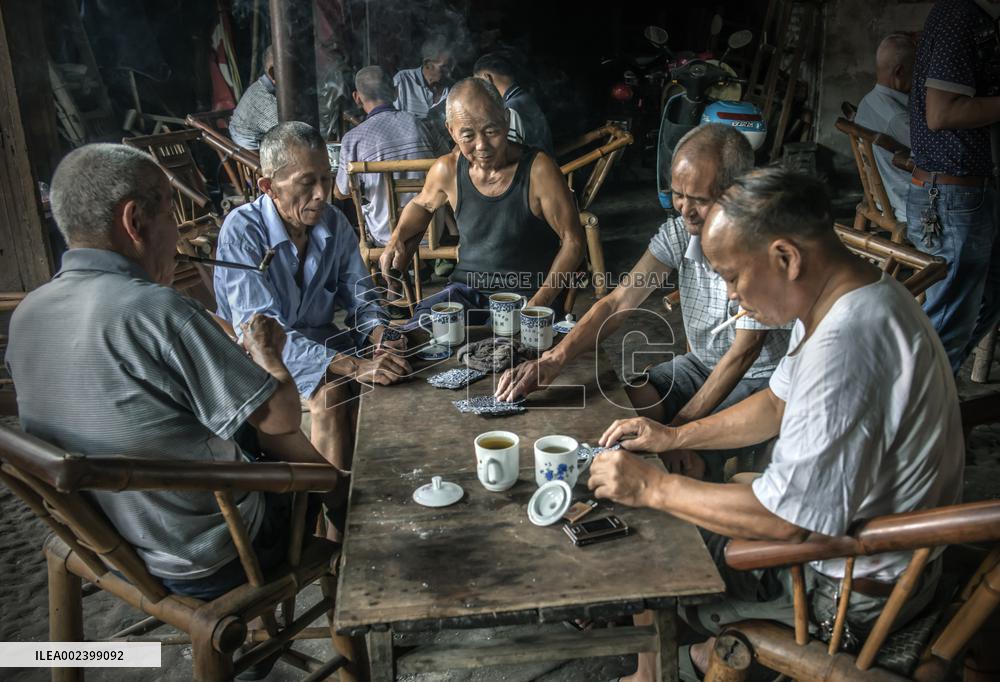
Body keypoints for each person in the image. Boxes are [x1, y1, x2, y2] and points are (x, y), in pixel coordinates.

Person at [589, 168, 963, 682]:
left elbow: (785, 522)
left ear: (786, 257)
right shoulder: (856, 297)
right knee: (673, 501)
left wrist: (655, 486)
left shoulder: (845, 345)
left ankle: (662, 670)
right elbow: (775, 404)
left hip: (843, 591)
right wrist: (676, 436)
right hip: (869, 556)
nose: (731, 297)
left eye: (731, 276)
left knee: (646, 536)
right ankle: (670, 664)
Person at [5, 143, 347, 599]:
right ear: (135, 221)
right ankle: (355, 519)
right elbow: (281, 418)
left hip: (108, 544)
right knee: (289, 446)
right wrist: (267, 354)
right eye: (170, 214)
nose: (179, 234)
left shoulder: (27, 312)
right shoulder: (159, 311)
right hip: (211, 555)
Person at [497, 124, 790, 480]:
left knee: (684, 460)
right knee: (631, 398)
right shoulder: (683, 231)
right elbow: (620, 301)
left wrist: (677, 432)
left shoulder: (759, 245)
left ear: (737, 191)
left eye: (699, 198)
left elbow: (742, 354)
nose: (685, 209)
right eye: (678, 194)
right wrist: (554, 359)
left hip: (757, 380)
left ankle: (696, 509)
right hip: (700, 365)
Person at [214, 122, 411, 471]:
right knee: (333, 393)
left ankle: (370, 489)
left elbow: (361, 296)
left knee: (391, 380)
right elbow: (262, 331)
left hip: (322, 341)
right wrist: (356, 365)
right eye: (307, 182)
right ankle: (333, 516)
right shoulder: (241, 229)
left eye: (326, 177)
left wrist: (381, 334)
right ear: (269, 186)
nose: (323, 193)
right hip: (260, 356)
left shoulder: (333, 222)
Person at [379, 77, 585, 308]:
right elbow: (422, 205)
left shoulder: (538, 169)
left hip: (527, 293)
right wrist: (396, 238)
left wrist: (540, 302)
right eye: (468, 135)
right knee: (421, 328)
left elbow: (574, 242)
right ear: (451, 131)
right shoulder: (446, 169)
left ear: (506, 121)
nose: (481, 145)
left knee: (505, 343)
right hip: (466, 290)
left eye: (491, 131)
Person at [908, 0, 1000, 372]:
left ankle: (932, 389)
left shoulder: (975, 19)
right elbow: (942, 113)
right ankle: (913, 411)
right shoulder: (958, 16)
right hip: (951, 196)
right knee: (947, 323)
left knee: (984, 302)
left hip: (970, 193)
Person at [333, 66, 437, 246]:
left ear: (357, 98)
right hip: (430, 231)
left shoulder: (353, 139)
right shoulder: (420, 125)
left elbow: (341, 193)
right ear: (395, 92)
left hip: (385, 236)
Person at [855, 34, 916, 222]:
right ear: (899, 72)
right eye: (917, 71)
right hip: (906, 205)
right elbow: (935, 156)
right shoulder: (897, 117)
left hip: (883, 198)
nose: (920, 78)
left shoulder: (869, 100)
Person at [473, 52, 554, 156]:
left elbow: (509, 155)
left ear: (487, 78)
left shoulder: (510, 108)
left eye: (479, 83)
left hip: (536, 170)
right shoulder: (523, 97)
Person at [393, 35, 454, 119]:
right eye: (444, 67)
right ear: (428, 64)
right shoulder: (403, 81)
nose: (449, 73)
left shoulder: (453, 89)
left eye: (451, 67)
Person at [229, 46, 278, 150]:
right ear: (272, 73)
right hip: (253, 158)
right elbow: (290, 133)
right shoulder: (263, 99)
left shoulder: (263, 87)